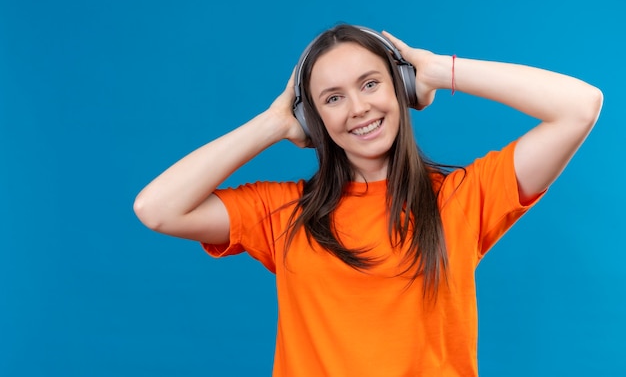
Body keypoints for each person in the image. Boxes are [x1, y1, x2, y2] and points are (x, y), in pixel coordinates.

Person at [133, 24, 602, 376]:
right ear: (314, 118)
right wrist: (273, 122)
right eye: (332, 98)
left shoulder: (461, 197)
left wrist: (439, 70)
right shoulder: (282, 213)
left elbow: (580, 106)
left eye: (371, 84)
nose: (358, 107)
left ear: (402, 89)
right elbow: (156, 208)